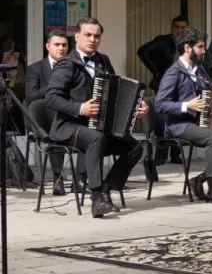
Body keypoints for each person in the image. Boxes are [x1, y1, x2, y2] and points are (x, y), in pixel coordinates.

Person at [45, 17, 148, 218]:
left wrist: (136, 108)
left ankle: (107, 190)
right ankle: (96, 198)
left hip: (97, 127)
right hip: (68, 126)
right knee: (96, 138)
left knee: (134, 147)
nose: (92, 39)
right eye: (88, 35)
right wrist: (80, 108)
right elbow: (51, 98)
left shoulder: (103, 61)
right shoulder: (67, 65)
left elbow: (117, 93)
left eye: (97, 36)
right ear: (77, 36)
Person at [154, 28, 212, 204]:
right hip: (179, 126)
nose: (204, 51)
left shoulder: (200, 70)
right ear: (187, 48)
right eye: (200, 47)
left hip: (201, 123)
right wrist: (187, 105)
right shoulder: (174, 72)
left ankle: (199, 180)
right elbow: (159, 104)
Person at [25, 31, 73, 194]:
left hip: (71, 113)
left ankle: (80, 179)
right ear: (48, 46)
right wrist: (54, 83)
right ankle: (57, 179)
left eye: (64, 45)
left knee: (90, 127)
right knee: (57, 128)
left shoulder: (74, 67)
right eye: (57, 45)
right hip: (46, 119)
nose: (61, 48)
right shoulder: (35, 69)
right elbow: (30, 97)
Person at [139, 15, 188, 165]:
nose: (179, 30)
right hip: (165, 85)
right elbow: (142, 51)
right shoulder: (163, 41)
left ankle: (175, 153)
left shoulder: (189, 44)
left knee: (178, 117)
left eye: (183, 28)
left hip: (183, 86)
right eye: (177, 27)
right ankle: (160, 153)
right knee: (161, 119)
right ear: (172, 28)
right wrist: (156, 71)